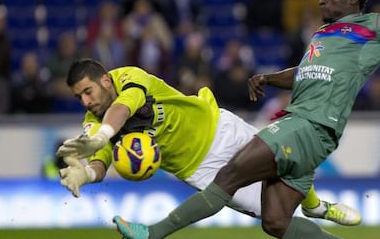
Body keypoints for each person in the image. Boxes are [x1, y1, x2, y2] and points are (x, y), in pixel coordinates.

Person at [103, 0, 380, 239]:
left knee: (230, 176)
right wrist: (269, 78)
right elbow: (306, 74)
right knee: (275, 221)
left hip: (309, 125)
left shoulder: (373, 24)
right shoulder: (323, 35)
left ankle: (151, 235)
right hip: (306, 128)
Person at [55, 58, 361, 226]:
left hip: (217, 126)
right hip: (199, 168)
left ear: (105, 80)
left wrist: (101, 136)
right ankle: (315, 219)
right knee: (271, 213)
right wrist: (89, 173)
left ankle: (318, 206)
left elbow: (124, 108)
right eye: (78, 97)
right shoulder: (93, 121)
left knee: (281, 160)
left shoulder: (130, 78)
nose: (85, 101)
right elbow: (103, 157)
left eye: (87, 91)